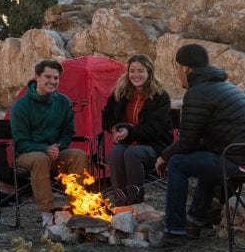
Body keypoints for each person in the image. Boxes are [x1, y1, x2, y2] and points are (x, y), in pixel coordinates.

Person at [153, 44, 245, 249]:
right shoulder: (221, 85)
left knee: (177, 163)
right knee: (204, 159)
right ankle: (194, 222)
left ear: (186, 69)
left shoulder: (199, 92)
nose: (176, 73)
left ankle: (174, 233)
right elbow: (197, 141)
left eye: (177, 67)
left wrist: (164, 156)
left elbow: (186, 142)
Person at [10, 59, 91, 228]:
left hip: (55, 152)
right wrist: (45, 149)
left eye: (56, 78)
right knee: (40, 158)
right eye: (48, 76)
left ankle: (76, 206)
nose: (53, 81)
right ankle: (48, 213)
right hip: (28, 155)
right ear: (36, 77)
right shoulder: (21, 106)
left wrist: (58, 146)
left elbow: (68, 133)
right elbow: (21, 142)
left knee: (79, 155)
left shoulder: (63, 102)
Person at [102, 54, 173, 206]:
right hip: (128, 142)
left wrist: (129, 132)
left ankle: (135, 203)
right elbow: (106, 118)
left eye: (140, 71)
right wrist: (115, 130)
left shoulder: (160, 96)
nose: (136, 75)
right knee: (115, 152)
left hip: (154, 145)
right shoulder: (120, 92)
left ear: (149, 72)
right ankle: (121, 203)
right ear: (127, 72)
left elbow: (155, 129)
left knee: (132, 153)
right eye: (132, 71)